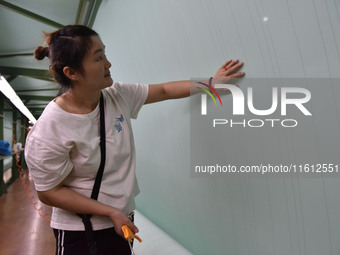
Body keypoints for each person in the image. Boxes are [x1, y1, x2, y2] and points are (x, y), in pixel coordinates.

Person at [24, 25, 245, 255]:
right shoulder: (50, 129)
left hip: (121, 221)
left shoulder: (117, 96)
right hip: (82, 232)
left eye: (105, 54)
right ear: (72, 73)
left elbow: (165, 91)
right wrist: (109, 211)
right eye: (99, 58)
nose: (108, 64)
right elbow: (48, 192)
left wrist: (211, 84)